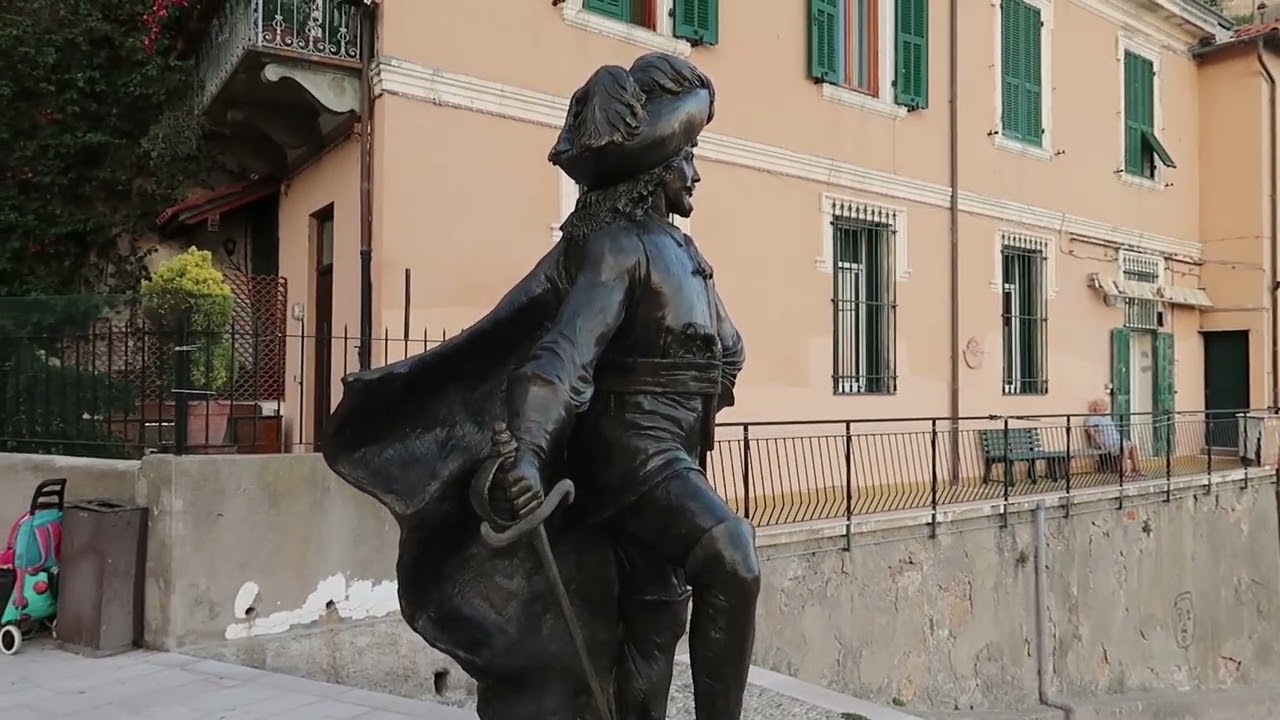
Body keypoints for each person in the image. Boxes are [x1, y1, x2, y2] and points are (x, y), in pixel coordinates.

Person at [502, 53, 759, 720]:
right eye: (688, 157)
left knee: (655, 622)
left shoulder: (686, 254)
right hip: (633, 456)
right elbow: (566, 354)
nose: (695, 173)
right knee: (732, 555)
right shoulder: (618, 246)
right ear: (657, 167)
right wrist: (529, 448)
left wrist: (705, 378)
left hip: (676, 453)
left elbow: (728, 349)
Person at [1084, 398, 1143, 477]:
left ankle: (1137, 469)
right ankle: (1124, 471)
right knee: (1124, 447)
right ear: (1094, 407)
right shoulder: (1091, 418)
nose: (1100, 408)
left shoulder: (1107, 417)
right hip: (1106, 440)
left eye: (1102, 406)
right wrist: (1099, 443)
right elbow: (1091, 432)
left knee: (1133, 446)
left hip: (1116, 438)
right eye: (1098, 406)